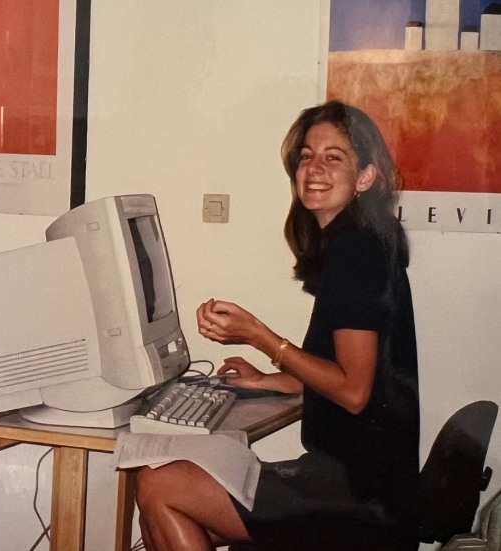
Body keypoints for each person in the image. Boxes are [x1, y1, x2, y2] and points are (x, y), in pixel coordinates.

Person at [135, 102, 419, 551]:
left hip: (358, 498)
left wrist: (259, 335)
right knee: (166, 503)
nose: (314, 168)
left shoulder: (357, 252)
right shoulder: (359, 241)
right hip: (363, 485)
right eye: (306, 155)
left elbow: (353, 390)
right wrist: (270, 380)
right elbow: (357, 378)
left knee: (159, 485)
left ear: (366, 176)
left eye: (334, 156)